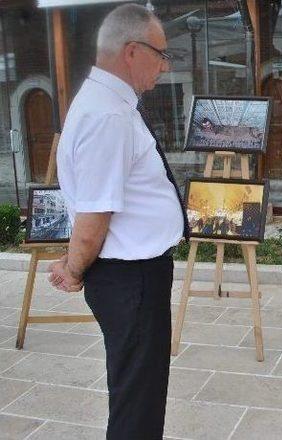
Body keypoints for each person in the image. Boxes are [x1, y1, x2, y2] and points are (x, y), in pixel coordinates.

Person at [48, 4, 189, 439]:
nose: (165, 67)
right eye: (161, 55)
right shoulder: (107, 113)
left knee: (138, 394)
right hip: (132, 279)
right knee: (137, 403)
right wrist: (72, 269)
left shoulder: (109, 104)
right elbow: (94, 213)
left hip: (134, 276)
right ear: (132, 51)